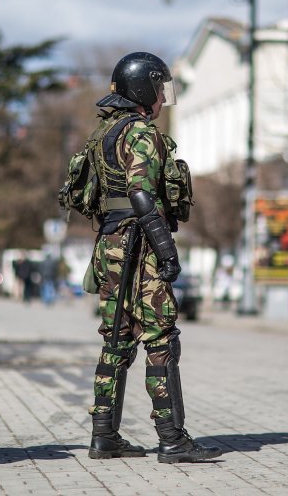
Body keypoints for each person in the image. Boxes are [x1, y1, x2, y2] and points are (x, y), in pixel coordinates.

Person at [83, 52, 220, 463]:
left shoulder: (104, 134)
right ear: (144, 89)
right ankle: (172, 440)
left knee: (116, 340)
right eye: (160, 88)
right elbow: (142, 194)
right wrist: (167, 250)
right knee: (161, 340)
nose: (163, 97)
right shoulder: (141, 133)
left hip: (110, 243)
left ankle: (104, 436)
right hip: (139, 245)